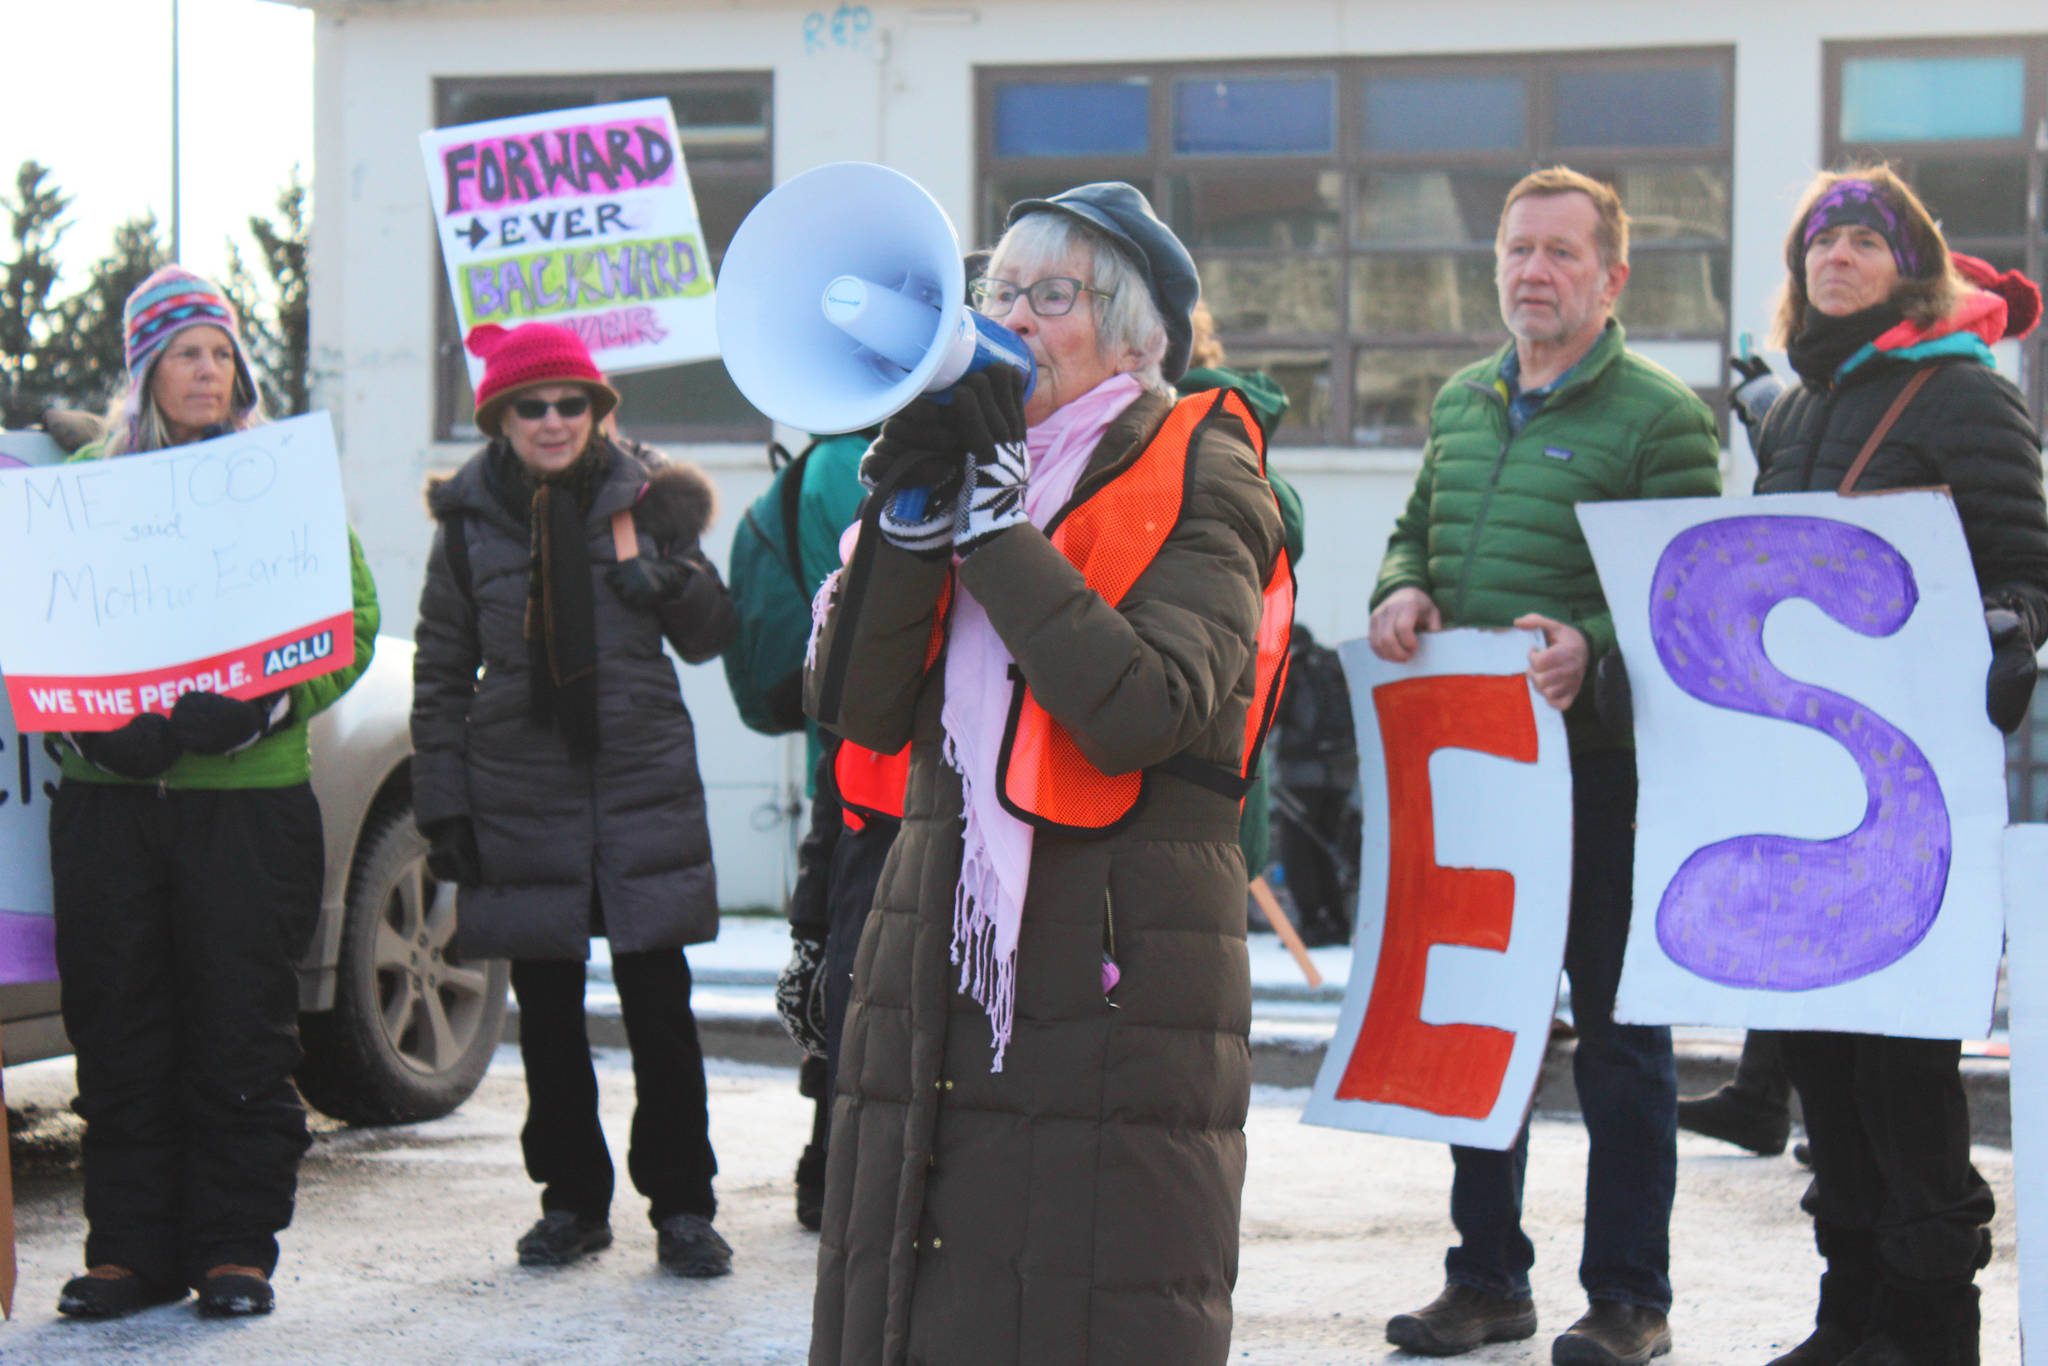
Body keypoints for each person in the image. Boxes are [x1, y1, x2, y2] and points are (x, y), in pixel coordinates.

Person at [804, 182, 1289, 1366]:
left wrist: (996, 534)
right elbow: (854, 705)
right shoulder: (963, 470)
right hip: (933, 948)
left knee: (1075, 1300)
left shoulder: (1207, 473)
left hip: (1109, 972)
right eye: (998, 290)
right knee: (914, 1298)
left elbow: (1143, 707)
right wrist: (911, 522)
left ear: (1137, 339)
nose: (1011, 317)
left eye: (1053, 295)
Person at [1367, 167, 1721, 1365]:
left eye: (1561, 252)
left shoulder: (1660, 417)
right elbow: (1411, 531)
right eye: (1517, 249)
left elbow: (1688, 598)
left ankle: (1628, 1297)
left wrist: (1593, 646)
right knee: (1485, 1029)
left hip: (1602, 773)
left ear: (1611, 277)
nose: (1533, 271)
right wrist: (1399, 588)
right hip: (1478, 770)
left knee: (1618, 1046)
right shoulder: (1461, 400)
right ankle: (1485, 1279)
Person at [1746, 166, 2048, 1366]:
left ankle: (1927, 1324)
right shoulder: (1789, 412)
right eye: (1817, 242)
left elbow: (2024, 560)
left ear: (1907, 265)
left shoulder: (1963, 394)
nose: (1835, 257)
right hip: (1803, 783)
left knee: (1900, 1062)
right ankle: (1850, 1309)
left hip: (1913, 791)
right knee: (1820, 1058)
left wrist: (2010, 625)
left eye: (1862, 240)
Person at [47, 266, 380, 1319]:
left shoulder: (277, 479)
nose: (208, 370)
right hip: (110, 804)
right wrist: (90, 727)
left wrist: (265, 708)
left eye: (222, 352)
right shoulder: (81, 488)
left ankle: (236, 1246)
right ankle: (127, 1250)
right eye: (186, 352)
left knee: (241, 1027)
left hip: (247, 803)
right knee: (120, 1025)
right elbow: (35, 627)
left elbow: (353, 618)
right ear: (146, 368)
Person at [409, 320, 738, 1278]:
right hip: (519, 791)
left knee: (660, 1009)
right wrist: (443, 808)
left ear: (596, 411)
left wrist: (673, 583)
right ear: (500, 420)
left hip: (640, 785)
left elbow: (712, 634)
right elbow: (440, 673)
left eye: (570, 404)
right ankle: (570, 1203)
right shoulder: (467, 528)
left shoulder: (648, 500)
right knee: (548, 1015)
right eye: (531, 407)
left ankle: (683, 1208)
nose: (552, 421)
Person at [1272, 622, 1360, 946]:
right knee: (1328, 846)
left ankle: (1311, 922)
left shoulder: (1292, 667)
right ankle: (1337, 920)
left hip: (1301, 772)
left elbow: (1272, 714)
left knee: (1298, 849)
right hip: (1341, 773)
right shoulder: (1332, 664)